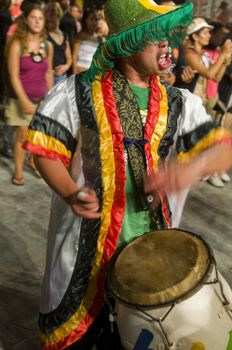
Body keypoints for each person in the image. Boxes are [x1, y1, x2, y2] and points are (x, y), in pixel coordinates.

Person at [23, 0, 232, 349]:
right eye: (156, 37)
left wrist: (189, 169)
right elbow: (44, 151)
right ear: (129, 42)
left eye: (168, 37)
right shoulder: (78, 91)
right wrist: (70, 194)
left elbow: (223, 149)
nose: (167, 45)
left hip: (149, 250)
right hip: (83, 246)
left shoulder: (180, 102)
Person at [5, 2, 53, 185]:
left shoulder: (47, 46)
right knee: (23, 135)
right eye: (33, 17)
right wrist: (24, 100)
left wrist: (51, 96)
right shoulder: (18, 44)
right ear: (26, 20)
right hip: (20, 99)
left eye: (40, 18)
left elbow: (48, 72)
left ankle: (32, 161)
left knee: (37, 134)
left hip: (41, 98)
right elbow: (13, 74)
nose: (37, 21)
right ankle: (18, 171)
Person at [184, 17, 232, 187]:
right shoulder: (189, 54)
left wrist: (225, 60)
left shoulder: (202, 55)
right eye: (205, 32)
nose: (209, 35)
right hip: (187, 107)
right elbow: (210, 74)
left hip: (201, 102)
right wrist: (223, 54)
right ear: (195, 36)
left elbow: (217, 78)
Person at [46, 1, 72, 85]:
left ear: (59, 13)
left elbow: (69, 57)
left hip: (62, 77)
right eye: (47, 10)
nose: (50, 13)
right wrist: (50, 71)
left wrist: (66, 66)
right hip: (46, 76)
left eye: (53, 10)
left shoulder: (64, 35)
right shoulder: (43, 33)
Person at [72, 8, 101, 73]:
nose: (94, 22)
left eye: (96, 20)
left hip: (92, 73)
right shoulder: (80, 35)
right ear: (86, 21)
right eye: (91, 19)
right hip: (80, 70)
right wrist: (74, 73)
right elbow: (74, 56)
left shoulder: (100, 39)